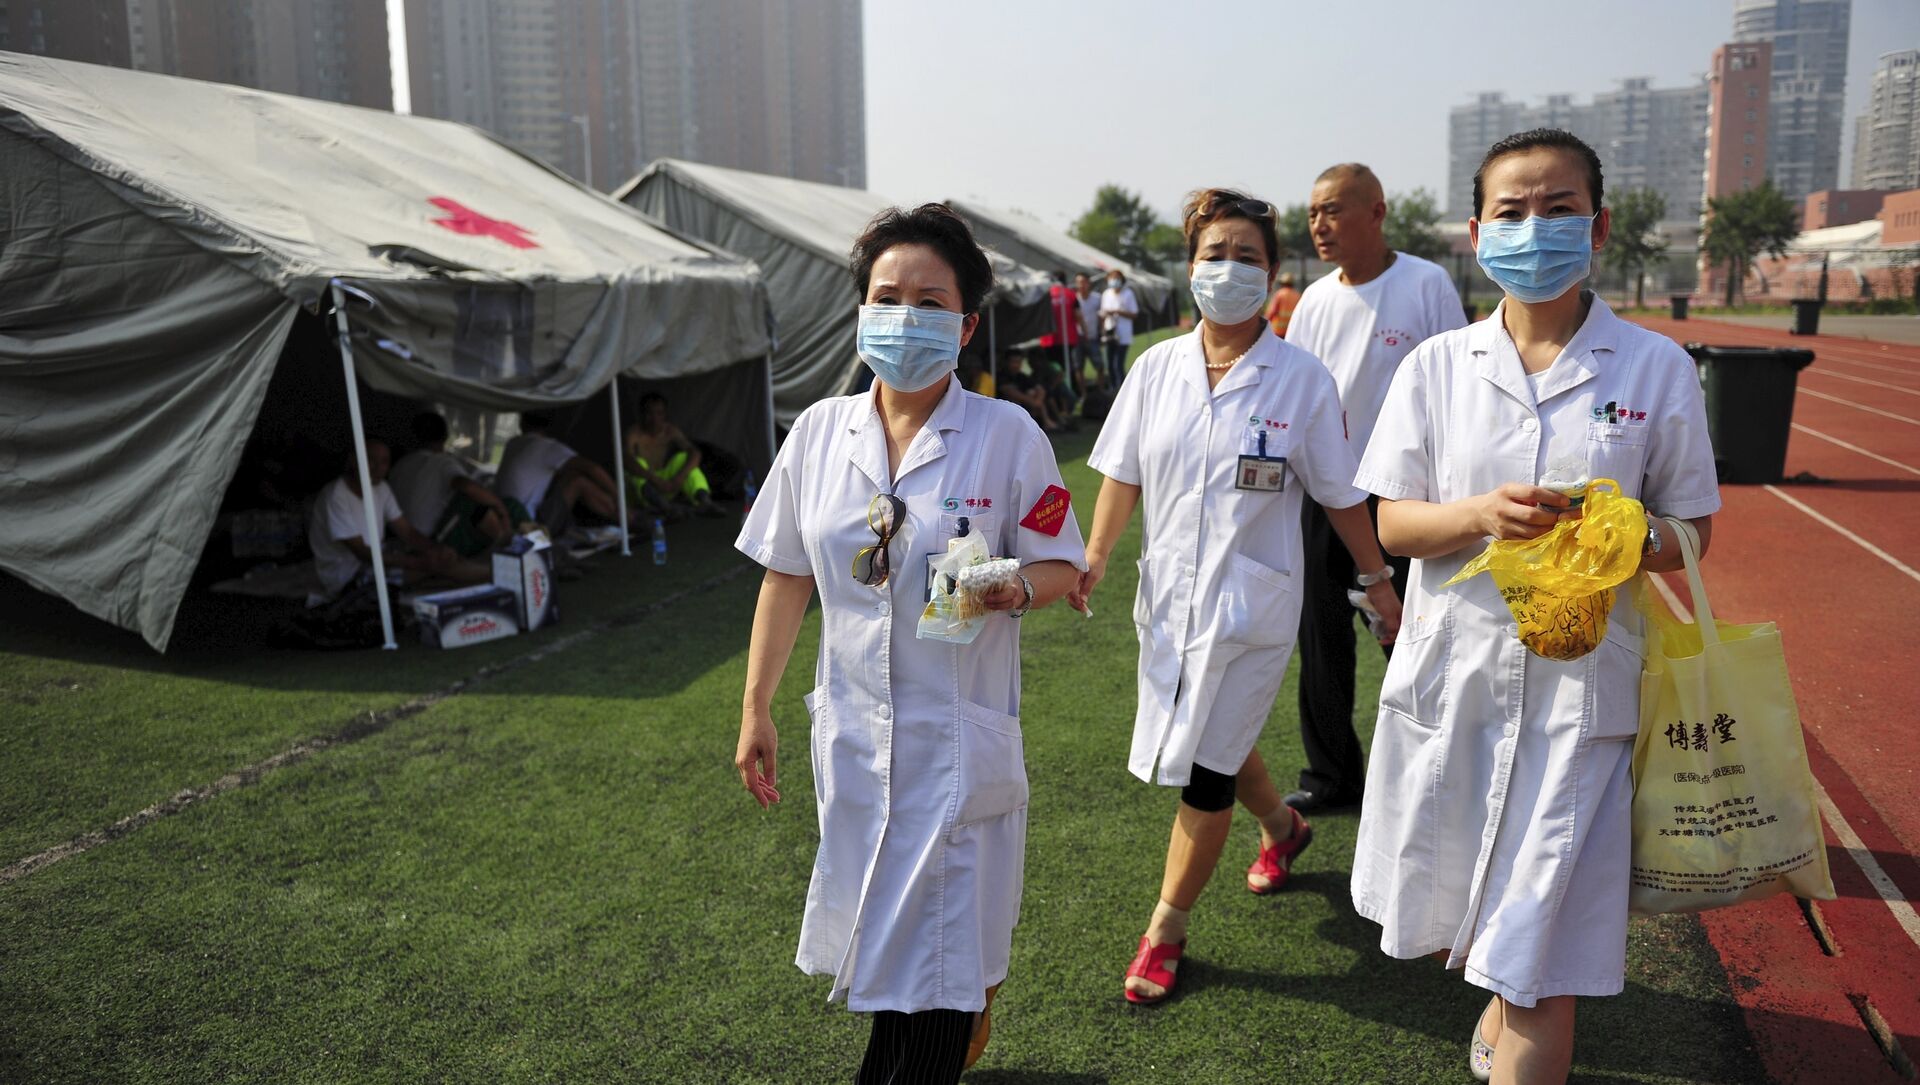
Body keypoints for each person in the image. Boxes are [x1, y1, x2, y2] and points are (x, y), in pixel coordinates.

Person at [1351, 129, 1719, 1085]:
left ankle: (1515, 1006)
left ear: (1598, 226)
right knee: (1470, 924)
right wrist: (1480, 515)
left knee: (1541, 968)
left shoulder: (1654, 367)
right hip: (1457, 687)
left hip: (1582, 702)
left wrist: (1620, 535)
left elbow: (1692, 531)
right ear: (1477, 234)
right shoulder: (1436, 366)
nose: (1534, 228)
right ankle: (1499, 994)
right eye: (1511, 212)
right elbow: (1393, 524)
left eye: (1559, 209)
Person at [732, 202, 1086, 1083]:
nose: (905, 317)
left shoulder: (1007, 436)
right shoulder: (819, 433)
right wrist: (756, 706)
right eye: (887, 298)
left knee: (942, 971)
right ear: (862, 313)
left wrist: (1010, 585)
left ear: (965, 326)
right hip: (855, 743)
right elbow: (786, 574)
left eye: (930, 302)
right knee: (891, 964)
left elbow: (1061, 564)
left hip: (957, 744)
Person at [1068, 188, 1404, 1005]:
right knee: (1210, 733)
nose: (1229, 269)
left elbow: (1339, 495)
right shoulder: (1156, 369)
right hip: (1169, 604)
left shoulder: (1301, 380)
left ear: (1274, 271)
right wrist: (1097, 553)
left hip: (1253, 609)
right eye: (1214, 254)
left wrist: (1377, 581)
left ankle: (1165, 928)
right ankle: (1285, 828)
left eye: (1246, 256)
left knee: (1205, 768)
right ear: (1190, 267)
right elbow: (1123, 470)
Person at [1282, 164, 1468, 813]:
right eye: (1313, 213)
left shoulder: (1426, 283)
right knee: (1321, 643)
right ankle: (1332, 777)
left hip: (1401, 496)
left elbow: (1455, 386)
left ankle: (1438, 770)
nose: (1319, 224)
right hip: (1323, 495)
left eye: (1332, 209)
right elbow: (1295, 394)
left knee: (1412, 634)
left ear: (1377, 212)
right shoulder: (1313, 301)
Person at [307, 438, 484, 598]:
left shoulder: (381, 488)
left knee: (440, 559)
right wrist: (420, 562)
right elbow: (363, 553)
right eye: (370, 460)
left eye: (384, 462)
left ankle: (488, 574)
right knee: (436, 567)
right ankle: (490, 575)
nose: (378, 467)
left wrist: (435, 549)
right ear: (353, 459)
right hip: (347, 575)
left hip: (374, 557)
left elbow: (406, 531)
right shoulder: (335, 496)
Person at [388, 412, 527, 557]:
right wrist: (500, 508)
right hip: (429, 538)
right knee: (480, 504)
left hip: (401, 535)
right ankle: (510, 547)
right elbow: (467, 486)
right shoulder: (441, 462)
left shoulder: (400, 465)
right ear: (445, 436)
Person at [494, 411, 624, 537]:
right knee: (578, 481)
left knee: (570, 475)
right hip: (528, 525)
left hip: (504, 517)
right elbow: (593, 469)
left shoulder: (513, 442)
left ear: (522, 422)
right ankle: (625, 516)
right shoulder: (547, 447)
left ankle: (621, 515)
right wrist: (619, 497)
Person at [624, 392, 725, 519]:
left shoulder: (670, 431)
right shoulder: (634, 433)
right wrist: (655, 480)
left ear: (665, 415)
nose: (654, 419)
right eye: (649, 413)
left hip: (665, 484)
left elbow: (695, 453)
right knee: (637, 464)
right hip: (642, 491)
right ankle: (666, 508)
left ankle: (705, 501)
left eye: (659, 413)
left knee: (683, 458)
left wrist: (678, 479)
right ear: (641, 414)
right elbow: (627, 460)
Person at [1099, 268, 1139, 390]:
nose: (1114, 281)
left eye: (1117, 278)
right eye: (1112, 278)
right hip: (1110, 333)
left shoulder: (1128, 293)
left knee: (1118, 364)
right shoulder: (1106, 294)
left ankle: (1123, 388)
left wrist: (1118, 312)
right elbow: (1103, 313)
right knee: (1109, 364)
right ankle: (1113, 388)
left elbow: (1134, 314)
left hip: (1123, 335)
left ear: (1122, 280)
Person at [1074, 272, 1103, 385]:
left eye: (1083, 282)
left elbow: (1101, 316)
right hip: (1078, 338)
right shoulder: (1074, 298)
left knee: (1099, 365)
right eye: (1078, 282)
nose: (1081, 285)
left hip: (1092, 336)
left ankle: (1100, 388)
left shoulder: (1097, 298)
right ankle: (1083, 392)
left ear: (1088, 283)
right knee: (1078, 367)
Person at [1264, 272, 1302, 337]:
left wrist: (1263, 325)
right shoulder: (1297, 295)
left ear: (1282, 283)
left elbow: (1272, 312)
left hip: (1278, 331)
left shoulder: (1280, 294)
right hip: (1292, 331)